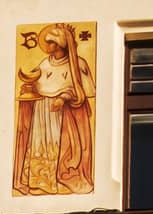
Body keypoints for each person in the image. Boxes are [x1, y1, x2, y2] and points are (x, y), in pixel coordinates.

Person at [13, 24, 94, 196]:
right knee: (39, 145)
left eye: (50, 42)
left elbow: (79, 90)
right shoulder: (45, 63)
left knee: (60, 148)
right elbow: (36, 82)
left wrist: (63, 97)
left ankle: (59, 177)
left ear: (59, 45)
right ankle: (38, 180)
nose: (46, 46)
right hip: (42, 111)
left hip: (63, 113)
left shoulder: (77, 64)